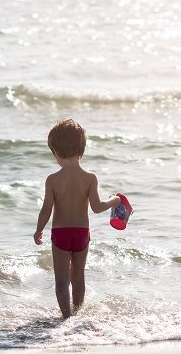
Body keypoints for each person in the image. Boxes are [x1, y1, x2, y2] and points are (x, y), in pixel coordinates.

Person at [33, 118, 120, 319]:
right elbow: (97, 208)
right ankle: (78, 312)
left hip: (61, 233)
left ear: (56, 151)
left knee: (61, 279)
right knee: (78, 276)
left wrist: (39, 230)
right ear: (82, 148)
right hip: (81, 233)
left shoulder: (53, 180)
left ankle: (66, 317)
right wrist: (113, 201)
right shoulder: (90, 178)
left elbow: (46, 210)